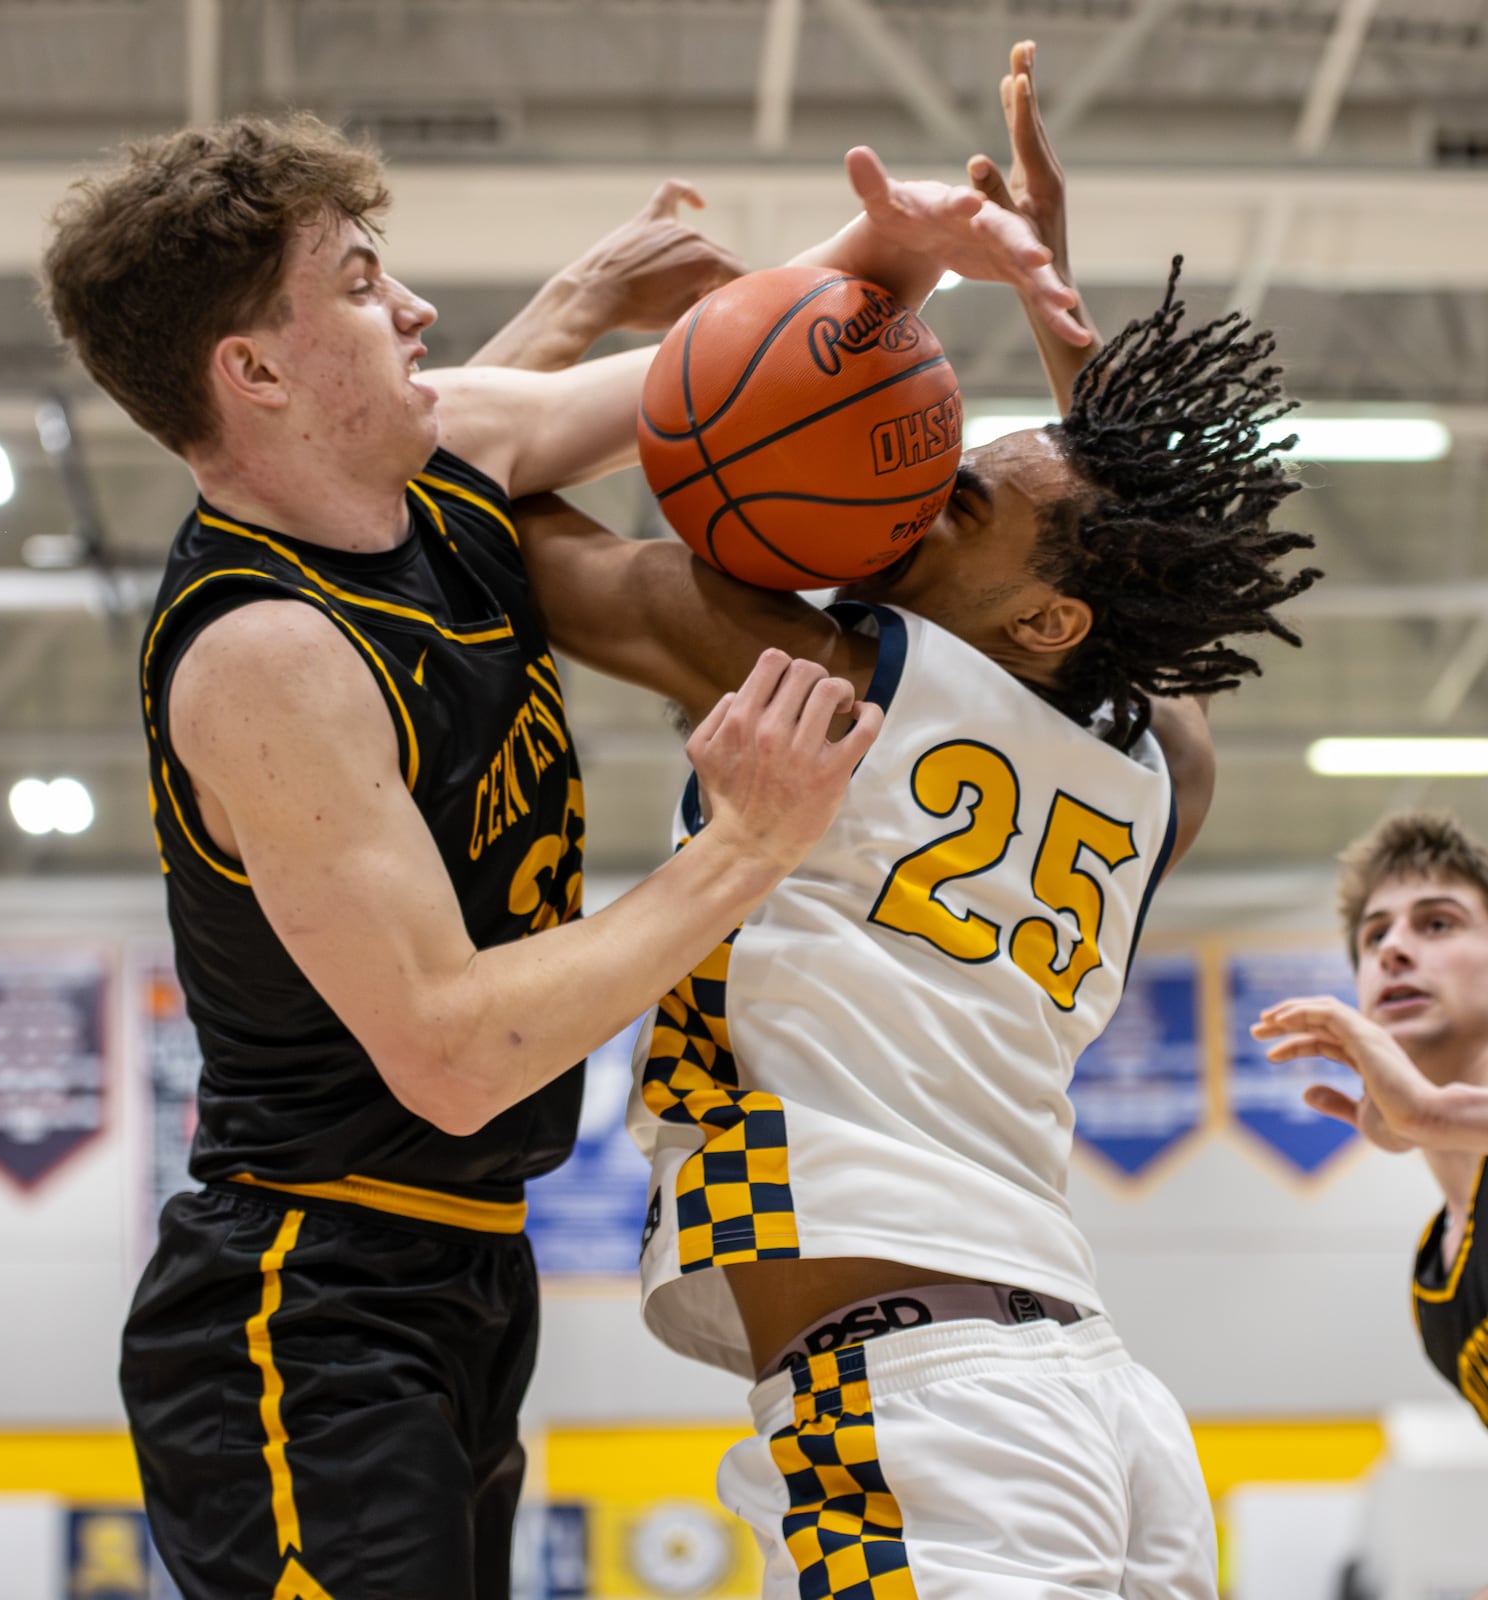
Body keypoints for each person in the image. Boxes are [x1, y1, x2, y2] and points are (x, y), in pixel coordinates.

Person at [39, 111, 1082, 1598]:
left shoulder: (442, 457)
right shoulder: (265, 656)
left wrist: (900, 252)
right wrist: (746, 846)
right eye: (356, 284)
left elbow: (731, 382)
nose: (412, 308)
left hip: (465, 1272)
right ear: (254, 372)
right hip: (305, 1298)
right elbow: (454, 1053)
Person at [511, 40, 1319, 1598]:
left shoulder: (835, 673)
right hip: (1093, 1394)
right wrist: (1052, 303)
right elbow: (1136, 571)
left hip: (920, 1407)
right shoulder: (1161, 778)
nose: (916, 491)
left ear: (1041, 628)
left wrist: (624, 341)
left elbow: (491, 512)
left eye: (955, 501)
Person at [1254, 811, 1488, 1427]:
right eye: (1373, 936)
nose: (1394, 950)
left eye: (1438, 923)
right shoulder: (1434, 1277)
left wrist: (1434, 1115)